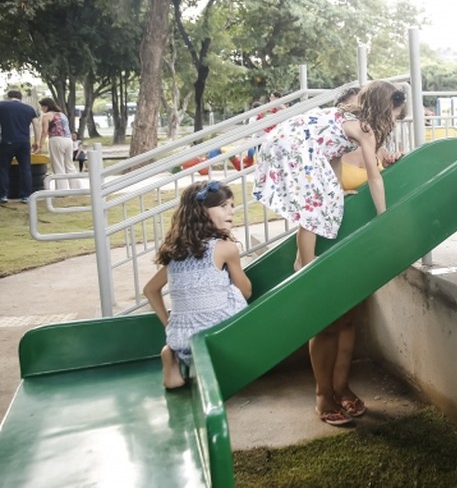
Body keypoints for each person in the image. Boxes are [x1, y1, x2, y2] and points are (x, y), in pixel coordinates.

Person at [253, 79, 406, 426]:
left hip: (289, 145)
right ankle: (304, 263)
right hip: (292, 149)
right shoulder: (365, 129)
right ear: (384, 110)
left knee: (347, 318)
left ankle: (341, 389)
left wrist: (337, 193)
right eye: (395, 115)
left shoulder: (340, 123)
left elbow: (331, 159)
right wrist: (385, 217)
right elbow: (374, 178)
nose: (395, 123)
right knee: (313, 204)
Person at [143, 180, 251, 389]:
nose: (231, 211)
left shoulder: (176, 253)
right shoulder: (225, 248)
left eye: (231, 205)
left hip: (181, 340)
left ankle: (171, 356)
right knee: (231, 291)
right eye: (223, 206)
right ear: (201, 211)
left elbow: (149, 290)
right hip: (216, 337)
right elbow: (246, 292)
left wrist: (170, 325)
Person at [0, 90, 40, 203]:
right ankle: (26, 195)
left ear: (8, 97)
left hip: (7, 140)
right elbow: (36, 125)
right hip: (24, 142)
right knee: (25, 168)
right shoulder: (29, 109)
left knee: (3, 168)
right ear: (20, 98)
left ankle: (3, 195)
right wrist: (37, 141)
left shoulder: (2, 106)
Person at [37, 98, 80, 190]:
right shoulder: (62, 114)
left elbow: (44, 131)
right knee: (69, 165)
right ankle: (76, 188)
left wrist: (40, 145)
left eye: (42, 107)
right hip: (68, 140)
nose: (41, 109)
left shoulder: (46, 116)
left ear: (46, 106)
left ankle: (61, 190)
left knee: (58, 165)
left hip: (56, 139)